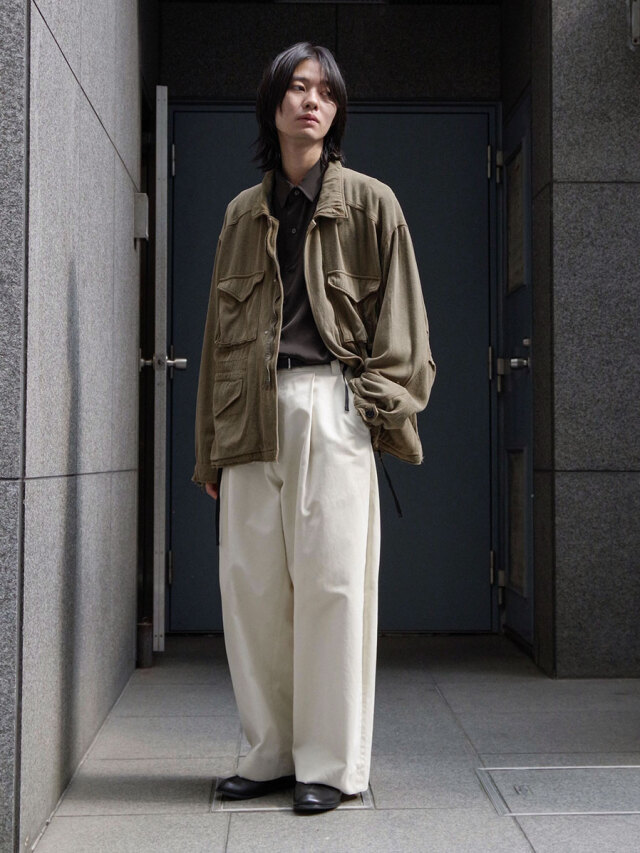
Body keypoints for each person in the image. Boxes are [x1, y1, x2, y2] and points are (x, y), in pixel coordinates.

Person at [192, 42, 436, 814]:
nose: (311, 102)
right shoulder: (242, 214)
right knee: (252, 590)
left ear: (337, 112)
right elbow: (216, 342)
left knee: (333, 586)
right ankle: (270, 752)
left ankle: (329, 766)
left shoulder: (371, 204)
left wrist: (368, 408)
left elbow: (406, 331)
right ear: (273, 104)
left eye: (325, 92)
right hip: (250, 413)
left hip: (331, 406)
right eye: (298, 88)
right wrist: (209, 449)